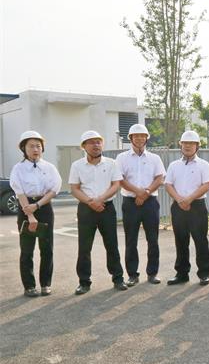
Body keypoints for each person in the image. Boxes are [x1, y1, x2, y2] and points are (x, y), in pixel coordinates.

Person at [69, 130, 127, 294]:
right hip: (86, 209)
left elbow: (116, 184)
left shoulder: (111, 163)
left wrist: (100, 200)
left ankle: (118, 278)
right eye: (91, 142)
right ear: (84, 146)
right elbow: (74, 188)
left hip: (106, 208)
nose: (96, 145)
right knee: (84, 247)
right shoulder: (77, 165)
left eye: (98, 142)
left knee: (112, 245)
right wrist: (90, 202)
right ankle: (84, 282)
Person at [10, 131, 62, 297]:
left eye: (38, 146)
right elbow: (19, 192)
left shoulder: (49, 167)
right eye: (31, 146)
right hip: (25, 207)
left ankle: (46, 284)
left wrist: (38, 205)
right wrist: (30, 215)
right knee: (27, 250)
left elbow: (54, 189)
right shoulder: (18, 169)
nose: (35, 149)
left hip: (44, 207)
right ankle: (29, 286)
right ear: (23, 149)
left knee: (47, 248)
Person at [115, 124, 166, 286]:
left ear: (146, 138)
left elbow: (160, 178)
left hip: (150, 202)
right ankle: (132, 274)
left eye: (142, 136)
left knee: (153, 239)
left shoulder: (154, 158)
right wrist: (138, 192)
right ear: (130, 138)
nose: (139, 138)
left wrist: (146, 192)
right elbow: (120, 179)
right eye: (136, 136)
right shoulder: (122, 158)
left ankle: (152, 273)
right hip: (130, 202)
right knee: (131, 240)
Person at [164, 130, 209, 286]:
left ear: (197, 146)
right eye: (185, 143)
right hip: (178, 206)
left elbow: (207, 184)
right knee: (180, 240)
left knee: (200, 240)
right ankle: (182, 273)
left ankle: (204, 273)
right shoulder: (174, 165)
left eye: (191, 143)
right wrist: (180, 200)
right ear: (181, 145)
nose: (188, 146)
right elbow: (168, 184)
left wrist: (189, 199)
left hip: (197, 206)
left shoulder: (203, 165)